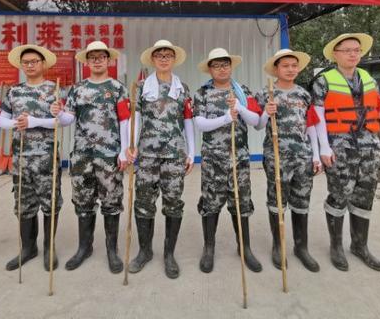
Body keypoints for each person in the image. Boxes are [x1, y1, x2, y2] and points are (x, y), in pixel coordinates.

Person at [312, 33, 380, 272]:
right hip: (340, 147)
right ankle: (336, 246)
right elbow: (317, 117)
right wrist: (323, 148)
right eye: (347, 50)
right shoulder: (323, 80)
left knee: (365, 196)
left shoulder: (368, 78)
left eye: (357, 50)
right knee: (339, 194)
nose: (353, 54)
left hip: (369, 147)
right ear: (335, 54)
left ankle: (360, 245)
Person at [50, 41, 130, 273]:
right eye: (92, 57)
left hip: (109, 155)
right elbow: (69, 119)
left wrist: (124, 150)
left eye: (101, 57)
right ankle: (84, 247)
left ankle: (112, 250)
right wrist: (59, 113)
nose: (97, 61)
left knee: (111, 202)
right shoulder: (78, 89)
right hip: (82, 156)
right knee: (83, 202)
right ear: (87, 61)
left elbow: (125, 120)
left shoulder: (117, 88)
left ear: (108, 60)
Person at [126, 40, 195, 279]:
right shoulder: (140, 87)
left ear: (174, 60)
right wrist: (131, 145)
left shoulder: (182, 88)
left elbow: (188, 120)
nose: (164, 59)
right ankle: (145, 251)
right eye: (159, 55)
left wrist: (191, 152)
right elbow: (135, 118)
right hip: (147, 155)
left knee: (173, 203)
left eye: (168, 55)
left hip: (174, 155)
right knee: (144, 203)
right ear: (153, 59)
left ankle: (169, 254)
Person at [193, 48, 263, 273]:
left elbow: (256, 120)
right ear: (210, 70)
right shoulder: (202, 93)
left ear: (231, 67)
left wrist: (239, 108)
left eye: (225, 64)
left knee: (241, 203)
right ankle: (209, 248)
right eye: (216, 66)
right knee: (210, 204)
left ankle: (245, 247)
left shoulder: (242, 91)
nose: (222, 69)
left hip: (239, 159)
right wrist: (225, 118)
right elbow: (200, 123)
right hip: (213, 159)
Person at [255, 48, 322, 272]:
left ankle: (301, 247)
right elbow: (258, 125)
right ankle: (278, 246)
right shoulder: (265, 93)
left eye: (294, 65)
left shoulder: (304, 94)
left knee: (302, 201)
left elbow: (311, 125)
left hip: (302, 156)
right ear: (276, 69)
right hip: (276, 157)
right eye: (285, 66)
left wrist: (315, 154)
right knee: (277, 202)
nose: (291, 69)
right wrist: (266, 112)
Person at [0, 45, 63, 272]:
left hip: (46, 157)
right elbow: (2, 121)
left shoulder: (54, 90)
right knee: (24, 204)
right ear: (21, 65)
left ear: (43, 64)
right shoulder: (13, 92)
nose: (30, 65)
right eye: (26, 62)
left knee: (50, 203)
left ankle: (49, 247)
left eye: (34, 61)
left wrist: (34, 121)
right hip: (21, 158)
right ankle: (28, 248)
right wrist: (17, 123)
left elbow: (62, 121)